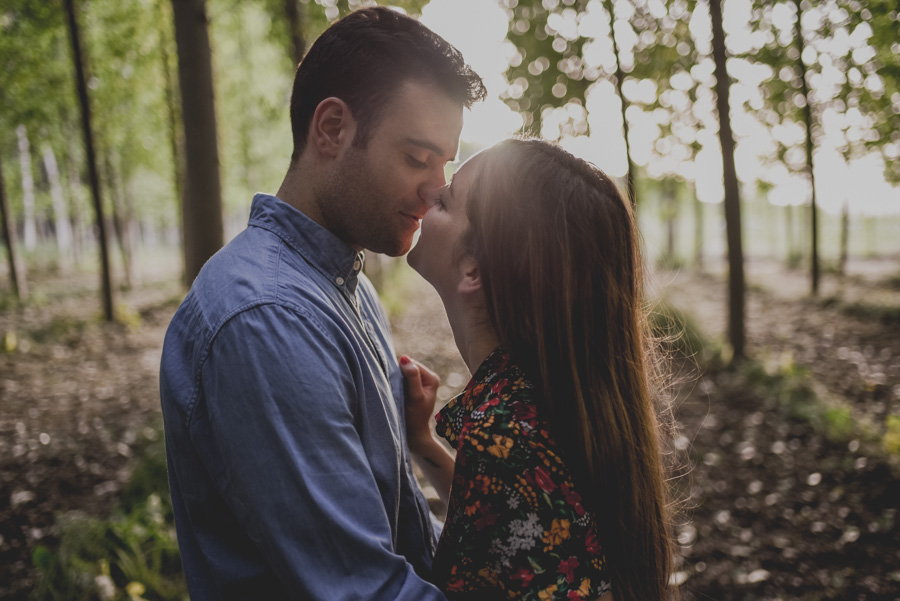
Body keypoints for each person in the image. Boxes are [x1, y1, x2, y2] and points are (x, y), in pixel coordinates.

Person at [159, 7, 485, 599]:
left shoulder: (348, 284)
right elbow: (363, 589)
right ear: (331, 129)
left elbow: (400, 532)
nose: (438, 187)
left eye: (446, 163)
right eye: (417, 157)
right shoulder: (267, 318)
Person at [402, 138, 676, 600]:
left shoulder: (502, 436)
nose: (429, 195)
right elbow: (512, 528)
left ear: (474, 269)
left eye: (446, 202)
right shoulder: (547, 400)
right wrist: (423, 443)